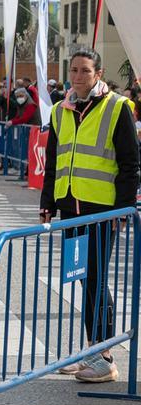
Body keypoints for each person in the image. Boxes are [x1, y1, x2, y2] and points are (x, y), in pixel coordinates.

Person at [41, 49, 140, 383]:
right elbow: (54, 162)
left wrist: (122, 208)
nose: (78, 76)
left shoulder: (117, 107)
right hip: (70, 208)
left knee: (94, 278)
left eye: (85, 70)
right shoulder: (60, 110)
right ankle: (92, 350)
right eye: (73, 70)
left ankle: (104, 356)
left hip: (101, 211)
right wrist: (47, 203)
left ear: (98, 73)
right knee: (82, 278)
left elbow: (130, 164)